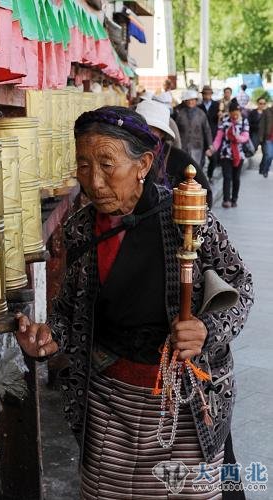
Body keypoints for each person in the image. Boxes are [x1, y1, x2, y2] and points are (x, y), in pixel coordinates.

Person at [15, 106, 253, 499]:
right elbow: (70, 315)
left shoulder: (188, 218)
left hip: (182, 405)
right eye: (84, 165)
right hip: (110, 403)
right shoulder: (80, 229)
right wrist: (48, 338)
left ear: (143, 164)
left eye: (108, 165)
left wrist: (205, 330)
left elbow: (241, 288)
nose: (94, 181)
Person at [136, 98, 213, 207]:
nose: (144, 133)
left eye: (151, 129)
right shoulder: (126, 155)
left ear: (162, 133)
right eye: (140, 128)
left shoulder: (179, 159)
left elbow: (205, 194)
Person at [207, 99, 250, 207]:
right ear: (230, 113)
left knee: (236, 178)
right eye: (233, 114)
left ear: (239, 112)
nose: (235, 116)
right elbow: (218, 138)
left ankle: (234, 199)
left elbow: (246, 137)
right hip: (226, 153)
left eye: (237, 114)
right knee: (227, 177)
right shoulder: (225, 121)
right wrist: (212, 149)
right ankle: (226, 200)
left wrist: (237, 138)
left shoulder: (244, 121)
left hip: (239, 154)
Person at [175, 90, 213, 166]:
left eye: (192, 100)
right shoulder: (180, 114)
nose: (190, 102)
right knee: (183, 167)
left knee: (196, 168)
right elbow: (176, 130)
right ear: (185, 101)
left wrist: (210, 145)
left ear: (196, 101)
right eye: (188, 100)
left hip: (197, 146)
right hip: (183, 146)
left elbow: (207, 130)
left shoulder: (201, 114)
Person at [198, 85, 220, 182]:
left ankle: (210, 176)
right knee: (200, 160)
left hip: (213, 135)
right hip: (201, 136)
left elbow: (219, 121)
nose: (207, 96)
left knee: (214, 159)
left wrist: (220, 116)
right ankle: (200, 179)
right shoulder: (199, 106)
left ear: (211, 94)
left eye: (208, 94)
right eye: (205, 94)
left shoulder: (217, 105)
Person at [258, 103, 273, 178]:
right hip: (268, 138)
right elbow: (262, 125)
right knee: (269, 155)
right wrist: (260, 137)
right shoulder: (267, 111)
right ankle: (265, 169)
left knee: (271, 156)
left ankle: (266, 168)